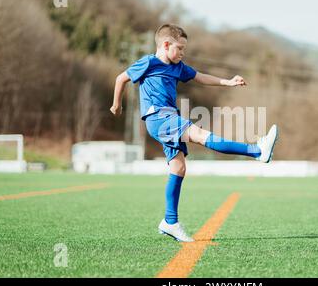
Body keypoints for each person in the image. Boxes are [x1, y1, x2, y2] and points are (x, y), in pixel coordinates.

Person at [110, 24, 278, 242]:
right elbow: (120, 78)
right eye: (180, 48)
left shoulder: (178, 67)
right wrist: (117, 104)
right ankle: (257, 151)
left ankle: (170, 222)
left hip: (168, 117)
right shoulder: (148, 62)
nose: (183, 53)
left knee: (178, 168)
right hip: (158, 117)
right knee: (200, 134)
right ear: (166, 44)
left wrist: (228, 82)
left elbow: (200, 77)